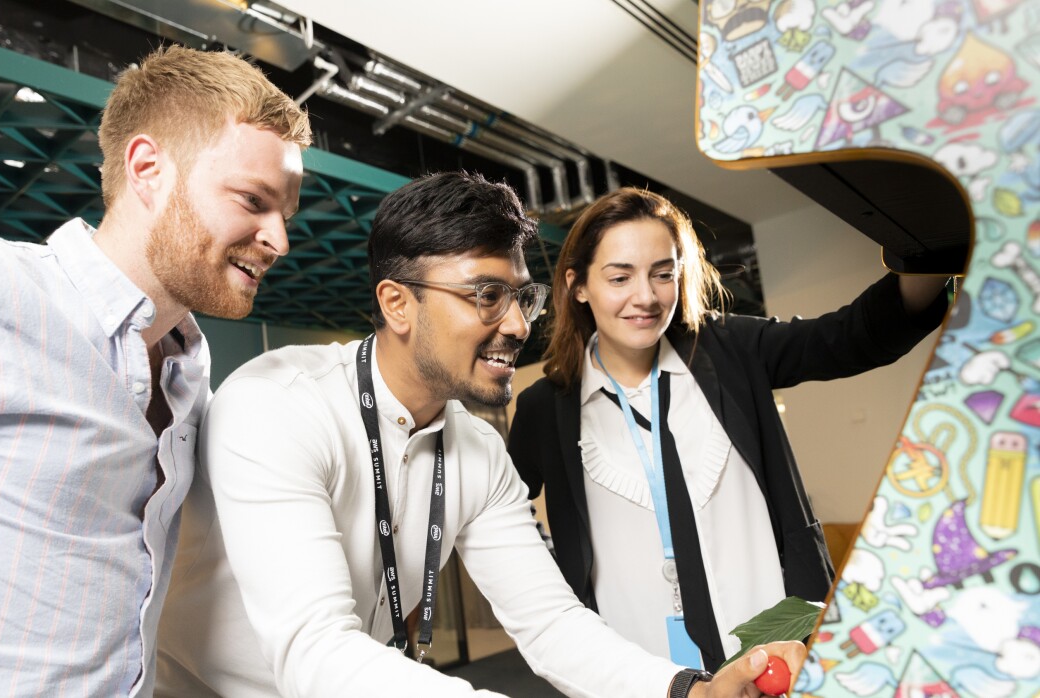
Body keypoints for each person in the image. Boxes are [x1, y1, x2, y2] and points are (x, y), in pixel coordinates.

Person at [155, 171, 804, 698]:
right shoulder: (277, 405)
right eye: (486, 295)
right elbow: (316, 651)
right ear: (397, 303)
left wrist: (690, 691)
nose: (519, 325)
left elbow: (550, 622)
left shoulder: (479, 451)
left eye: (522, 297)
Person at [0, 45, 309, 696]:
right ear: (149, 169)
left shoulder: (190, 374)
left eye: (286, 216)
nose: (279, 239)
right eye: (252, 200)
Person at [508, 187, 949, 670]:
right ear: (578, 285)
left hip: (775, 651)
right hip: (638, 668)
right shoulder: (546, 408)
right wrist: (554, 580)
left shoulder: (729, 350)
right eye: (620, 277)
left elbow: (849, 339)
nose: (646, 297)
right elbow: (501, 510)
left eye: (663, 274)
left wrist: (932, 246)